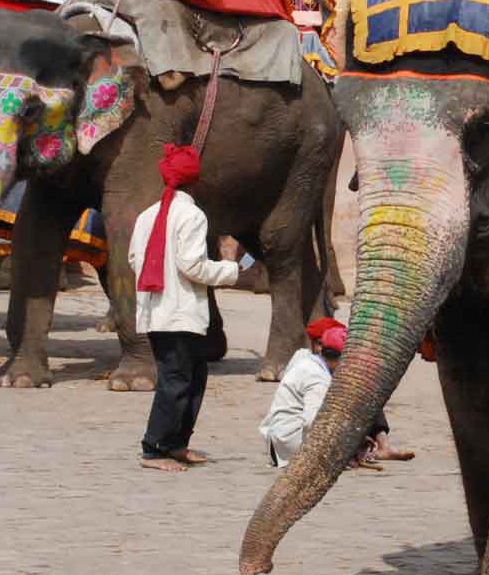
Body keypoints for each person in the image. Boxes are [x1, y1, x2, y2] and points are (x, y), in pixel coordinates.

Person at [128, 144, 240, 473]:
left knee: (193, 376)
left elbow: (135, 260)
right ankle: (154, 447)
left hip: (157, 310)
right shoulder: (191, 215)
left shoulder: (147, 215)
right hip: (179, 312)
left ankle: (177, 442)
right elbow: (192, 265)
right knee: (175, 380)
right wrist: (230, 267)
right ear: (195, 182)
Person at [260, 318, 415, 468]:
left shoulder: (314, 365)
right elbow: (312, 422)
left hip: (281, 439)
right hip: (288, 444)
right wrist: (348, 441)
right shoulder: (318, 377)